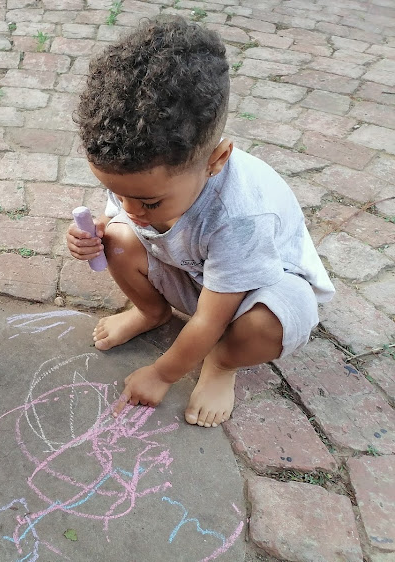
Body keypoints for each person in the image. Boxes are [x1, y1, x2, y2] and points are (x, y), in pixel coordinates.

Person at [67, 17, 334, 428]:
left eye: (149, 201)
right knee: (118, 240)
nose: (130, 207)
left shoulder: (240, 214)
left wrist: (161, 374)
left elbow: (211, 318)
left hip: (253, 292)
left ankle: (222, 363)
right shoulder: (140, 173)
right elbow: (119, 215)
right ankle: (152, 313)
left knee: (268, 325)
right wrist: (98, 231)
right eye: (117, 192)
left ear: (216, 160)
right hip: (193, 271)